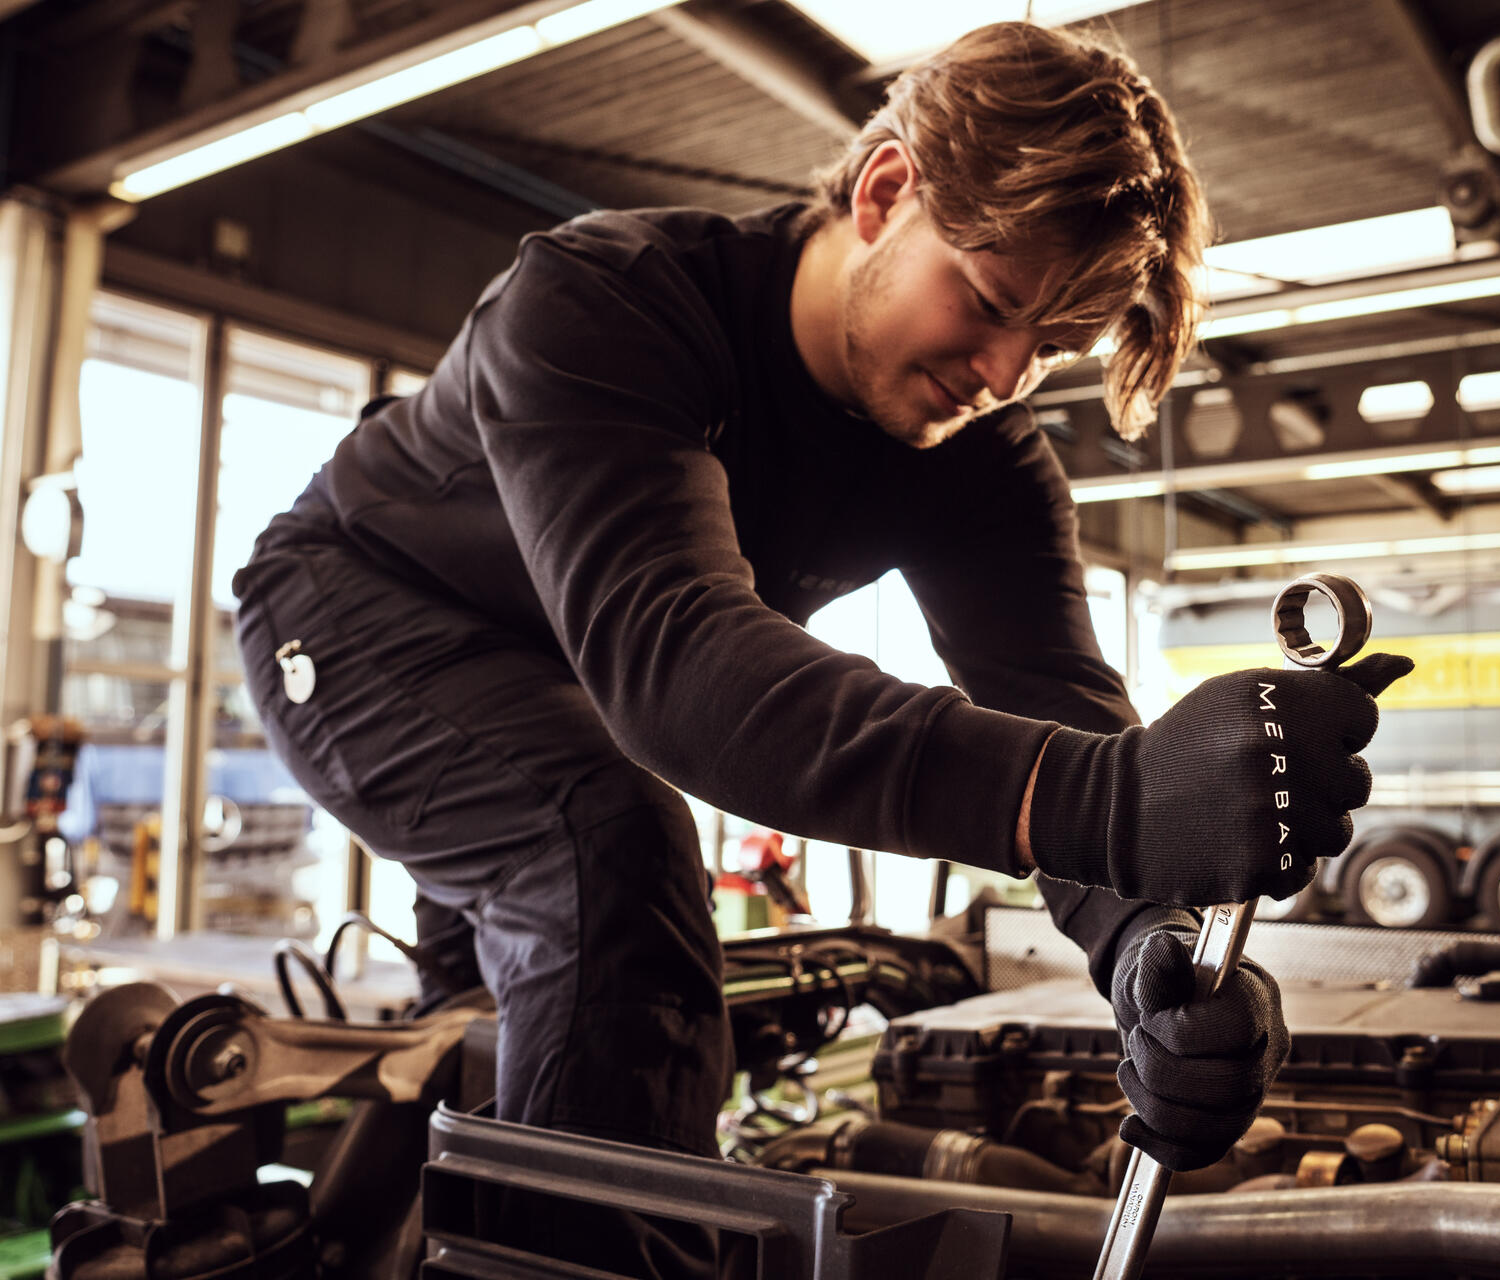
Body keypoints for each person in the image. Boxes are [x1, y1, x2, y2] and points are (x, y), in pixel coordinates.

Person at [233, 18, 1409, 1271]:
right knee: (605, 848)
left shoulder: (980, 462)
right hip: (353, 611)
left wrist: (1151, 949)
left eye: (1051, 349)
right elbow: (680, 669)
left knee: (515, 1020)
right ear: (886, 189)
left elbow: (1063, 711)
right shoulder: (605, 300)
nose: (1005, 374)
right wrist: (1104, 798)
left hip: (554, 682)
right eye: (995, 302)